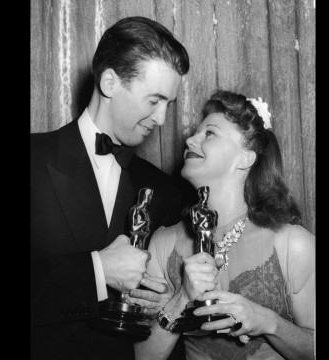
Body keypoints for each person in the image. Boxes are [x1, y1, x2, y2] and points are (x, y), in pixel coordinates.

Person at [31, 16, 189, 360]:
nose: (162, 120)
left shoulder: (165, 190)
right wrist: (98, 271)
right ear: (109, 83)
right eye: (154, 100)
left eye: (169, 104)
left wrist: (161, 303)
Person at [134, 90, 315, 360]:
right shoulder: (163, 243)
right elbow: (142, 357)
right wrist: (181, 297)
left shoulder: (292, 243)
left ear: (244, 158)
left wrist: (267, 322)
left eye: (210, 133)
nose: (190, 139)